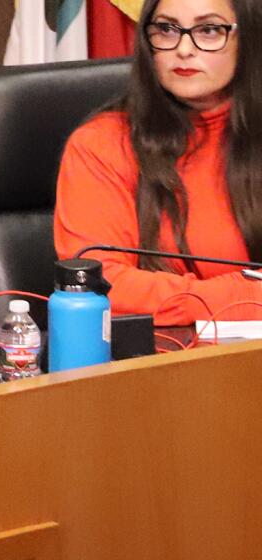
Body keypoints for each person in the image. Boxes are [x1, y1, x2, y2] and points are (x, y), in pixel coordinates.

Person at [54, 0, 262, 325]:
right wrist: (243, 297)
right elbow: (100, 286)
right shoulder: (102, 144)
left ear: (248, 37)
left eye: (208, 30)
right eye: (166, 29)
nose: (183, 48)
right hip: (160, 360)